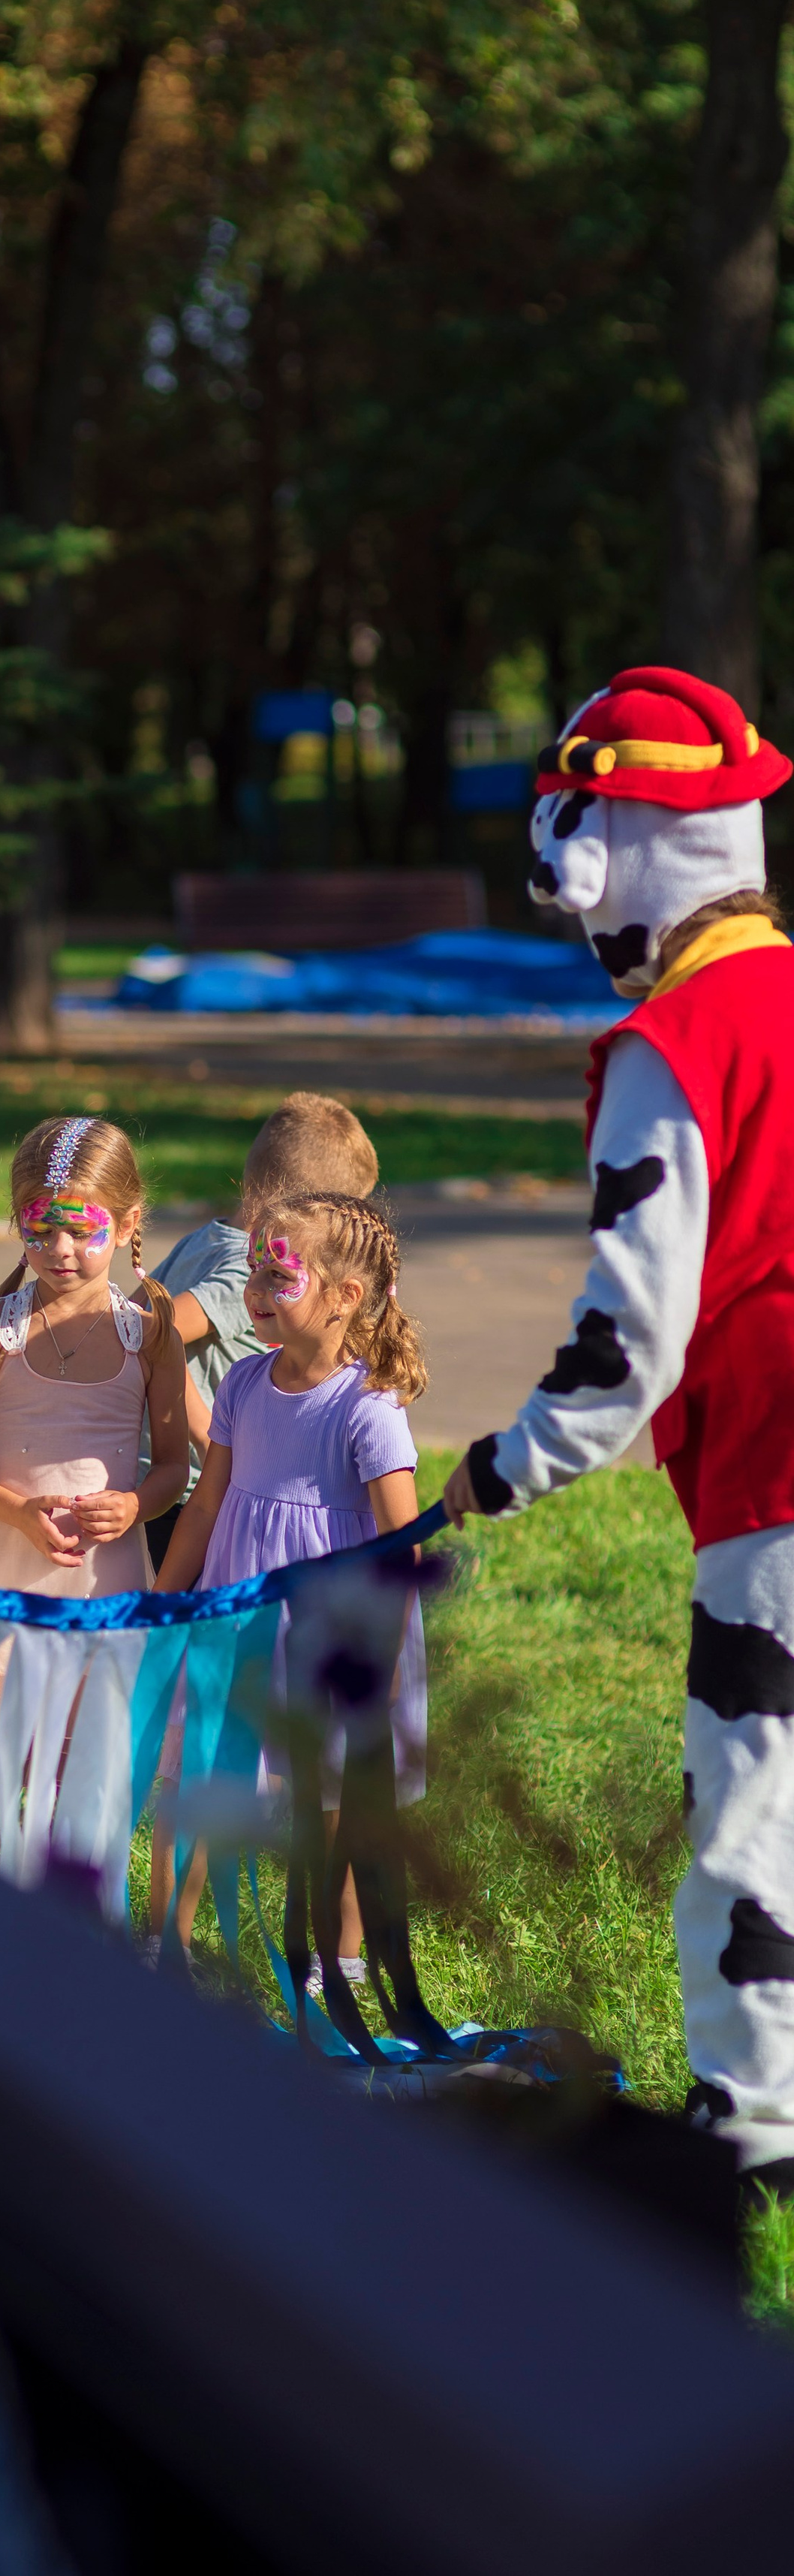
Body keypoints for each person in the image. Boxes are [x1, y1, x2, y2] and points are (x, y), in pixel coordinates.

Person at [440, 663, 794, 2197]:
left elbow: (627, 1338)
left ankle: (760, 2129)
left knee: (753, 1792)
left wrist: (505, 1468)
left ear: (604, 843)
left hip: (775, 1469)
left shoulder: (672, 1046)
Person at [154, 1192, 426, 1966]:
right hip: (237, 1615)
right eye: (256, 1275)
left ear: (345, 1297)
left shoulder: (368, 1408)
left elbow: (398, 1545)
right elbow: (205, 1504)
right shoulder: (241, 1383)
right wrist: (166, 1601)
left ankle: (338, 1959)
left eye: (282, 1277)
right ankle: (165, 1940)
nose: (257, 1294)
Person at [0, 1115, 190, 1611]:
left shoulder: (153, 1339)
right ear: (19, 1221)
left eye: (82, 1231)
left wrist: (135, 1505)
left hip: (105, 1582)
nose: (61, 1248)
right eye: (42, 1228)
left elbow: (172, 1468)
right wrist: (17, 1512)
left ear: (126, 1226)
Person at [144, 1092, 380, 1573]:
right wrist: (211, 1444)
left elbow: (132, 1317)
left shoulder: (205, 1239)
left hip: (159, 1475)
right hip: (196, 1486)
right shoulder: (253, 1273)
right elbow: (154, 1330)